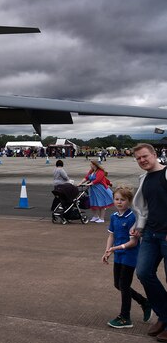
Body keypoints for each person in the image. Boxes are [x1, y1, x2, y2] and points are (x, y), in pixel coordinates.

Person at [131, 143, 167, 339]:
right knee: (144, 273)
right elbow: (145, 208)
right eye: (138, 158)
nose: (142, 160)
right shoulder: (144, 178)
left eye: (145, 156)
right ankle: (164, 314)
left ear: (155, 154)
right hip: (150, 235)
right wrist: (138, 225)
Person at [102, 186, 150, 328]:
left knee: (124, 285)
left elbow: (133, 242)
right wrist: (107, 251)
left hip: (130, 255)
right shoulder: (114, 217)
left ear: (129, 201)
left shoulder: (132, 218)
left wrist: (116, 248)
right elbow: (111, 235)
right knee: (118, 284)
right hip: (118, 255)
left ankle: (125, 317)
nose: (119, 202)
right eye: (116, 199)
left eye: (122, 200)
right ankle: (144, 302)